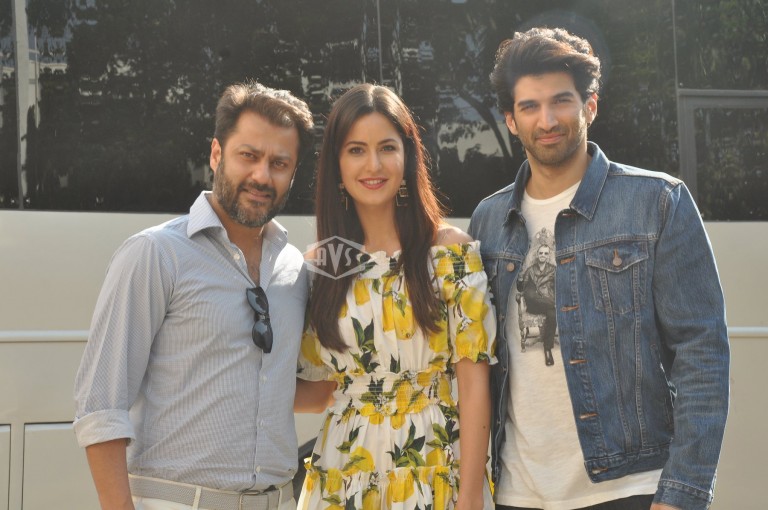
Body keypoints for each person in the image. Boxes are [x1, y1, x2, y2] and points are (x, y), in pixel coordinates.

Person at [468, 27, 729, 510]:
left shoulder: (658, 202)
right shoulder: (488, 219)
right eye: (529, 106)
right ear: (510, 120)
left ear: (590, 106)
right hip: (518, 491)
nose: (547, 120)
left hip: (630, 489)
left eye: (561, 101)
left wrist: (682, 493)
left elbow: (702, 354)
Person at [74, 80, 314, 510]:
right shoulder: (155, 254)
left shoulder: (295, 268)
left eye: (279, 163)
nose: (262, 176)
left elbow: (298, 388)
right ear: (217, 154)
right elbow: (101, 405)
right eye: (249, 156)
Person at [294, 83, 496, 510]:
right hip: (343, 472)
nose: (373, 165)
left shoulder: (449, 252)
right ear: (336, 164)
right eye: (356, 150)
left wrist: (471, 496)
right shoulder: (324, 262)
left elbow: (473, 383)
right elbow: (320, 389)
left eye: (387, 148)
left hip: (434, 465)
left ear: (408, 156)